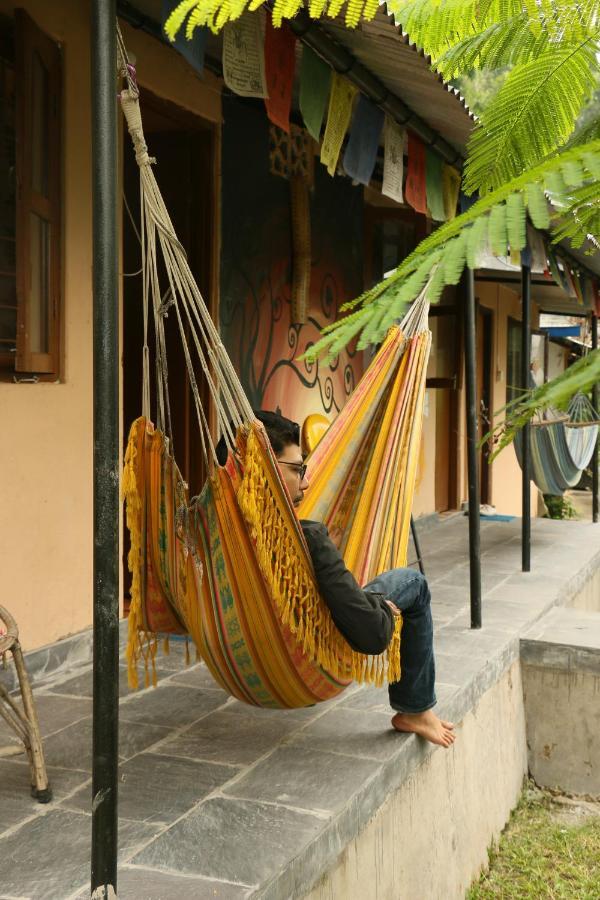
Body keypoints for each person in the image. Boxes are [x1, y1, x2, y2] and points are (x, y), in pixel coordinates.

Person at [217, 410, 455, 748]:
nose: (306, 482)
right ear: (262, 469)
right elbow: (373, 636)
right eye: (297, 469)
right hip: (304, 645)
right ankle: (415, 710)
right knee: (413, 584)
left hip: (241, 651)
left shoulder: (213, 530)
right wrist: (381, 609)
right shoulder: (306, 540)